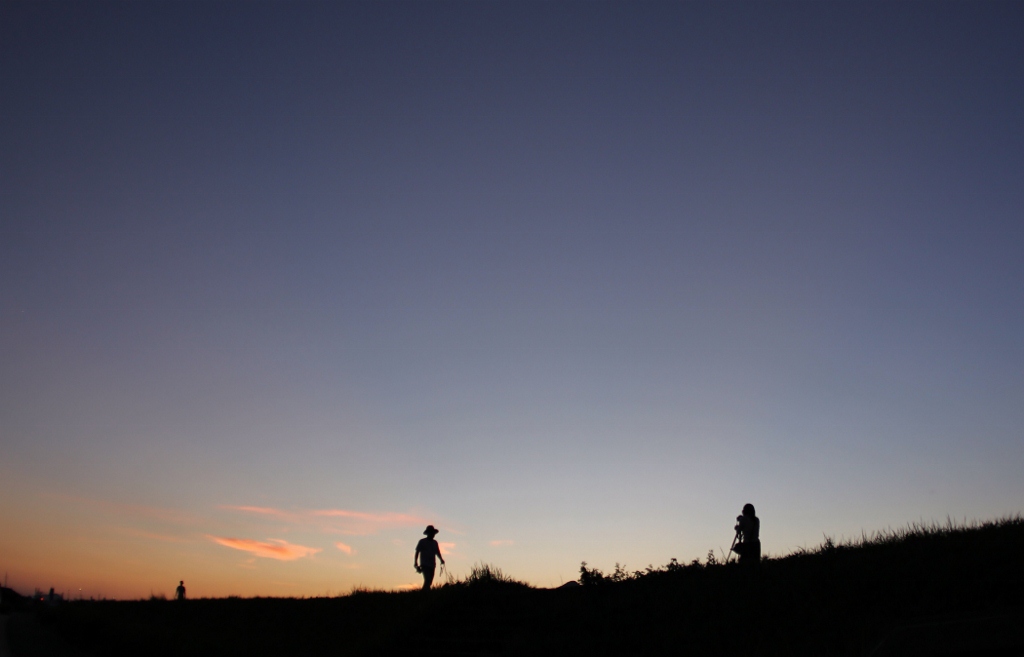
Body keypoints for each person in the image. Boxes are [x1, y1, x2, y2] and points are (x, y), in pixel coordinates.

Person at [414, 525, 445, 590]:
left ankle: (425, 593)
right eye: (431, 533)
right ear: (428, 533)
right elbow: (417, 552)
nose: (433, 534)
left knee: (429, 581)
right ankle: (423, 593)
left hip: (432, 564)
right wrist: (415, 562)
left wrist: (441, 559)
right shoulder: (422, 541)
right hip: (424, 564)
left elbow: (437, 552)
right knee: (427, 579)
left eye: (433, 533)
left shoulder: (435, 542)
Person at [731, 503, 761, 568]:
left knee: (745, 564)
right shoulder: (757, 520)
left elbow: (738, 531)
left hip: (747, 544)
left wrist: (736, 527)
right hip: (756, 544)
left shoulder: (743, 519)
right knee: (755, 564)